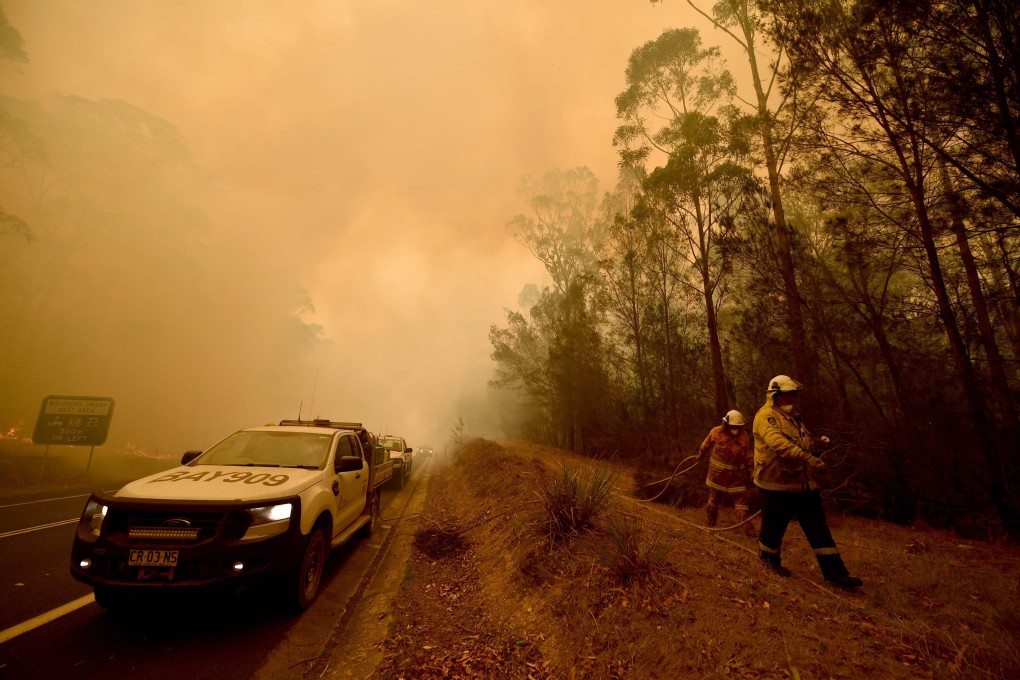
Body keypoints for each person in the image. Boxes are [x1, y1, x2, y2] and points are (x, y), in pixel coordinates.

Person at [752, 375, 863, 591]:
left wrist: (815, 446)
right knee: (773, 530)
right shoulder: (766, 417)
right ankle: (768, 564)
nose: (793, 397)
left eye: (794, 393)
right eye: (788, 394)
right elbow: (779, 445)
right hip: (775, 485)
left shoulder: (793, 417)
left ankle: (837, 575)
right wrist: (808, 458)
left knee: (819, 529)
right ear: (775, 395)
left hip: (803, 485)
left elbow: (801, 443)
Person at [697, 409, 757, 537]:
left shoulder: (743, 437)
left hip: (736, 479)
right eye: (733, 426)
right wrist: (700, 456)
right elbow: (705, 445)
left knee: (741, 506)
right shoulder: (716, 432)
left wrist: (752, 471)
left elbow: (748, 456)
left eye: (738, 426)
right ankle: (711, 524)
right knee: (713, 501)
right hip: (717, 476)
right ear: (726, 423)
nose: (735, 429)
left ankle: (750, 534)